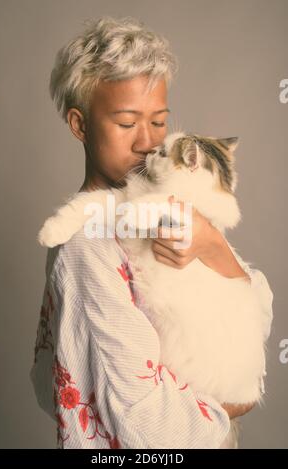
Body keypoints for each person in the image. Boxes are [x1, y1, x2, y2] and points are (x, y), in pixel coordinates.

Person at [30, 16, 273, 449]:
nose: (147, 142)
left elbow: (252, 321)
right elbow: (153, 428)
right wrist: (229, 406)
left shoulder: (172, 208)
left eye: (159, 122)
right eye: (126, 123)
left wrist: (215, 246)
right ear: (80, 125)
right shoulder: (89, 246)